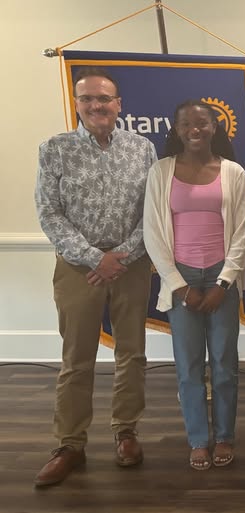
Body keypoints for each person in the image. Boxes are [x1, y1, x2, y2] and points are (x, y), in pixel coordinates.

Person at [34, 67, 157, 486]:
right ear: (77, 104)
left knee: (132, 353)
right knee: (76, 358)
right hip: (78, 268)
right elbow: (49, 212)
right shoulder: (55, 149)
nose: (96, 105)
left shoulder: (142, 148)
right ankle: (70, 444)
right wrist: (93, 258)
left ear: (118, 104)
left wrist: (123, 255)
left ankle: (126, 431)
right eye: (87, 98)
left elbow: (152, 210)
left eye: (104, 98)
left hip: (130, 264)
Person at [143, 99, 245, 471]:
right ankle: (198, 440)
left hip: (222, 278)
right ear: (176, 129)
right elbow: (153, 233)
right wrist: (179, 286)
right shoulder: (161, 172)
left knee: (224, 363)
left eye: (202, 122)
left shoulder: (233, 172)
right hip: (181, 280)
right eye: (186, 123)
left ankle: (224, 436)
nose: (195, 129)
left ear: (214, 127)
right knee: (189, 366)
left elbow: (242, 232)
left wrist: (224, 282)